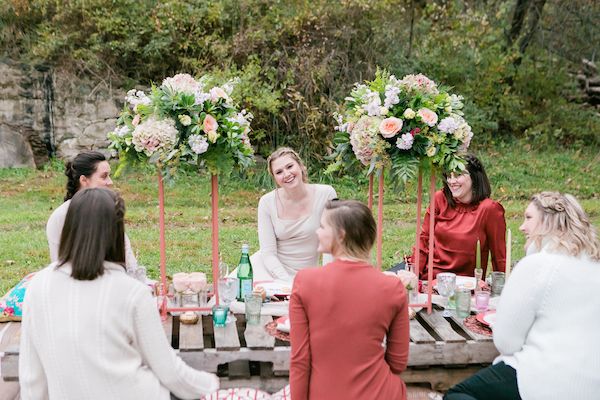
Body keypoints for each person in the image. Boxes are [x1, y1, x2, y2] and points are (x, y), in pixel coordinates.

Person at [20, 188, 219, 400]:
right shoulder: (131, 292)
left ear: (69, 228)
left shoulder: (38, 286)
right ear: (116, 234)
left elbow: (31, 378)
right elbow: (170, 372)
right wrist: (214, 385)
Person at [445, 192, 600, 400]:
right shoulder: (594, 266)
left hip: (547, 380)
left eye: (528, 218)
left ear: (548, 223)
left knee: (458, 394)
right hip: (592, 384)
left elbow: (506, 343)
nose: (522, 227)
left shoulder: (538, 265)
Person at [290, 200, 409, 399]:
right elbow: (398, 362)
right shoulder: (392, 288)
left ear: (341, 235)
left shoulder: (305, 282)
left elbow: (300, 361)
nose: (317, 232)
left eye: (322, 227)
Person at [409, 154, 506, 279]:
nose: (452, 181)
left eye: (458, 175)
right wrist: (413, 274)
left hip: (465, 286)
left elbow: (499, 256)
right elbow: (424, 240)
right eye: (449, 175)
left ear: (474, 177)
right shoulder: (440, 199)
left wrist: (503, 288)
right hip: (430, 279)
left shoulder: (489, 209)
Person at [252, 147, 337, 282]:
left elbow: (330, 243)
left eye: (290, 166)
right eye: (279, 172)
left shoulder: (326, 194)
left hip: (306, 275)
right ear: (275, 178)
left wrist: (328, 279)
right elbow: (268, 253)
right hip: (270, 271)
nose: (286, 174)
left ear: (301, 166)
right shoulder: (267, 202)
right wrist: (287, 282)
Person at [46, 151, 137, 271]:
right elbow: (59, 263)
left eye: (109, 176)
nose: (110, 182)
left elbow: (127, 259)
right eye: (104, 176)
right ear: (84, 180)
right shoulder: (61, 216)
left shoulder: (109, 209)